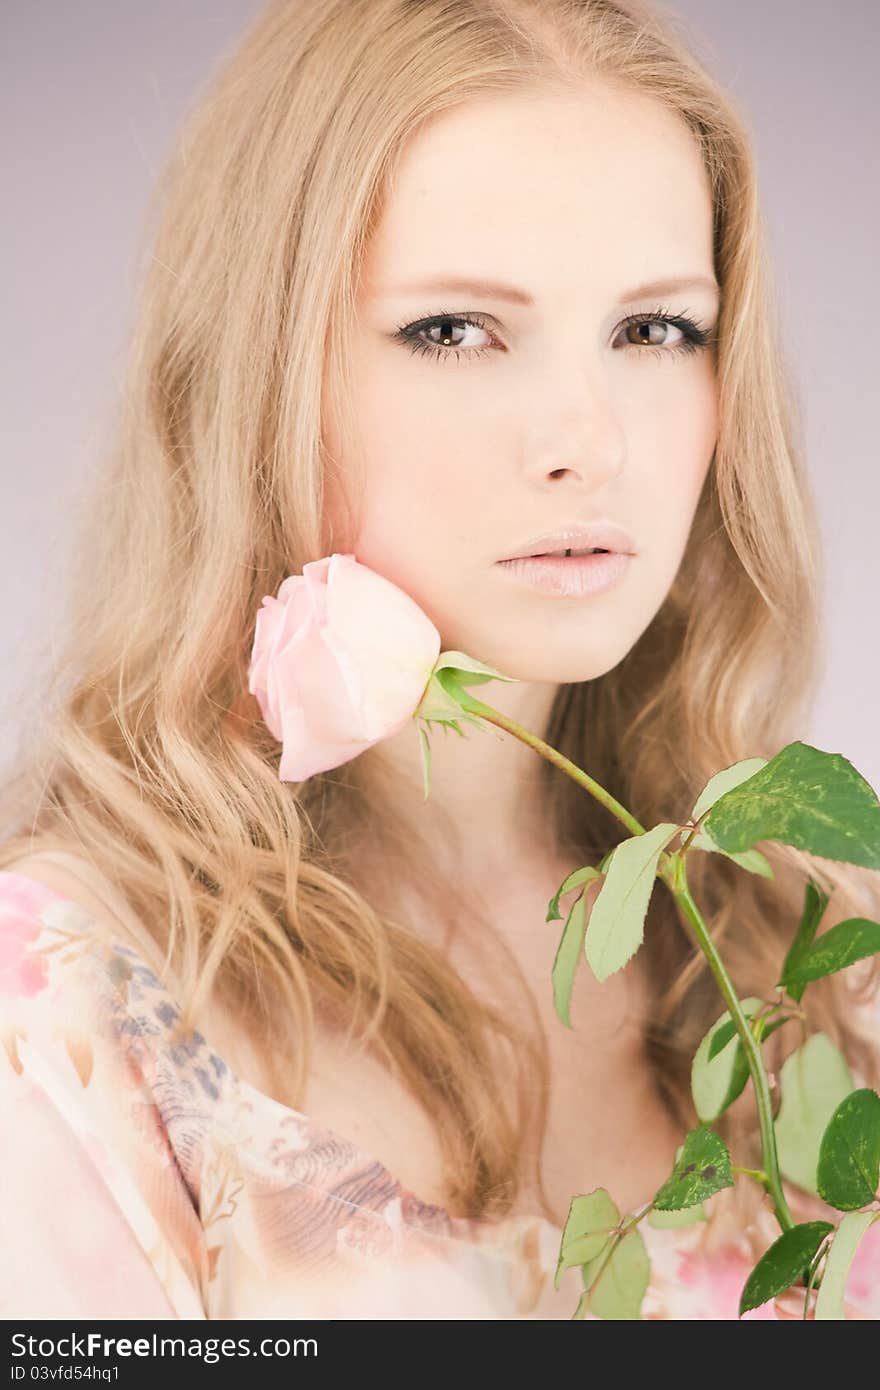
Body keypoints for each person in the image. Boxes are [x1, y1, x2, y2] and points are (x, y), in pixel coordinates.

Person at [1, 0, 878, 1321]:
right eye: (457, 330)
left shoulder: (819, 940)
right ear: (261, 373)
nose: (593, 442)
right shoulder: (71, 1009)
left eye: (654, 329)